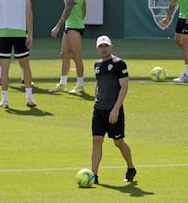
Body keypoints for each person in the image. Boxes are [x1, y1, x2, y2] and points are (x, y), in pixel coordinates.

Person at [91, 35, 136, 184]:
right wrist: (96, 94)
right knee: (97, 140)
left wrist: (116, 109)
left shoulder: (119, 64)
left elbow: (124, 87)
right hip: (99, 109)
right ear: (98, 48)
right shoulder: (97, 65)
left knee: (118, 142)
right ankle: (94, 175)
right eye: (101, 46)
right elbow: (99, 83)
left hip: (113, 110)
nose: (103, 49)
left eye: (106, 46)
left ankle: (130, 168)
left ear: (111, 47)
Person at [0, 0, 36, 107]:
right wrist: (30, 34)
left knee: (4, 68)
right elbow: (29, 14)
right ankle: (29, 97)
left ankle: (4, 100)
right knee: (25, 66)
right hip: (20, 33)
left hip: (4, 34)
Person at [160, 0, 188, 83]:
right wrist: (168, 17)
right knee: (178, 40)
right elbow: (172, 3)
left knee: (184, 42)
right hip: (182, 16)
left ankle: (187, 74)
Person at [49, 0, 86, 94]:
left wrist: (57, 26)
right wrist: (80, 18)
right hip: (70, 26)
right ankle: (62, 84)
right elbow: (84, 7)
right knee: (64, 54)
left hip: (74, 26)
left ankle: (80, 85)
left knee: (76, 55)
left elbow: (68, 8)